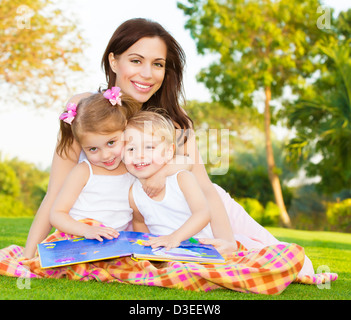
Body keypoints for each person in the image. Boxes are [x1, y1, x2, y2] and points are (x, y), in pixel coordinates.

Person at [23, 18, 314, 277]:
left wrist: (225, 241)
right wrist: (29, 255)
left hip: (201, 208)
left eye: (158, 64)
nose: (147, 73)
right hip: (154, 222)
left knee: (293, 264)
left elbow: (205, 187)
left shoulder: (173, 119)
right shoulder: (86, 112)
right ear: (113, 62)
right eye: (136, 61)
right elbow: (55, 191)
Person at [50, 89, 139, 240]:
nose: (105, 155)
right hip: (77, 239)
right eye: (93, 149)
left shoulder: (132, 170)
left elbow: (138, 216)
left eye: (111, 142)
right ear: (81, 145)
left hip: (112, 244)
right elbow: (57, 214)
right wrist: (87, 230)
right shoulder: (84, 171)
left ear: (125, 128)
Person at [124, 111, 217, 250]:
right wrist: (146, 249)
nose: (139, 155)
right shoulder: (134, 193)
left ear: (168, 152)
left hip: (198, 250)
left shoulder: (182, 178)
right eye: (131, 149)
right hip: (164, 253)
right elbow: (140, 224)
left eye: (149, 147)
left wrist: (175, 238)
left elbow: (203, 214)